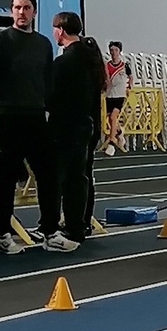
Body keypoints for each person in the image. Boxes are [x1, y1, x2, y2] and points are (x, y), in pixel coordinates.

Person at [0, 0, 60, 254]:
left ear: (34, 11)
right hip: (8, 117)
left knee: (48, 175)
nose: (21, 12)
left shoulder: (43, 44)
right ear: (11, 11)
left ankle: (50, 231)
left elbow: (47, 81)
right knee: (6, 178)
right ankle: (3, 234)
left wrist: (48, 110)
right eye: (17, 7)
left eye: (26, 7)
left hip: (36, 116)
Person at [48, 12, 107, 249]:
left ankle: (64, 227)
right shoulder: (91, 58)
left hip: (66, 125)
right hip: (88, 124)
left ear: (60, 31)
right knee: (82, 176)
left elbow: (52, 96)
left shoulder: (64, 62)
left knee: (63, 179)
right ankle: (80, 223)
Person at [104, 41, 132, 156]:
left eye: (116, 50)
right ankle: (119, 132)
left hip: (119, 96)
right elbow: (106, 78)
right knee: (109, 120)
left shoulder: (125, 66)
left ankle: (112, 143)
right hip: (109, 95)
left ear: (120, 51)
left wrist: (129, 86)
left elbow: (130, 77)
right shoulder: (107, 65)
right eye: (111, 50)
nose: (114, 53)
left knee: (113, 116)